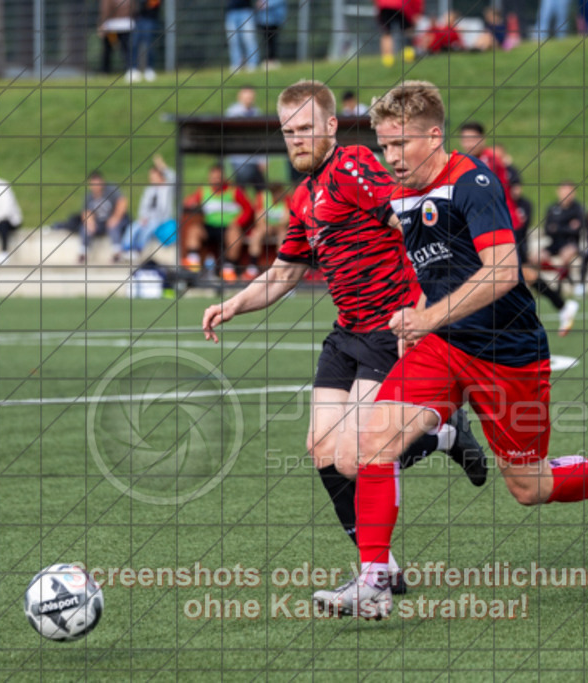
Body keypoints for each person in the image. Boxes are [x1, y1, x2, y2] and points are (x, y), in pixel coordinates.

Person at [313, 80, 588, 619]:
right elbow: (435, 270)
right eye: (384, 146)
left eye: (401, 144)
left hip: (507, 354)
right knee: (371, 440)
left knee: (528, 486)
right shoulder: (399, 197)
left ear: (435, 135)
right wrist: (417, 312)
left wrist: (426, 315)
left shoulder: (472, 182)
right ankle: (374, 581)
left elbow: (502, 272)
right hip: (444, 346)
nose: (391, 158)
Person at [201, 81, 486, 593]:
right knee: (321, 451)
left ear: (331, 126)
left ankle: (442, 436)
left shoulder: (352, 164)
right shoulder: (304, 197)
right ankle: (383, 565)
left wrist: (427, 302)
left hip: (388, 328)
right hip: (347, 332)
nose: (297, 140)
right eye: (288, 132)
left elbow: (406, 218)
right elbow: (284, 274)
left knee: (357, 456)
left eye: (306, 129)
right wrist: (232, 304)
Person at [457, 121, 577, 335]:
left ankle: (560, 307)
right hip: (493, 226)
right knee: (511, 274)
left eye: (472, 138)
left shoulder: (488, 161)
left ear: (482, 140)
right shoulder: (472, 161)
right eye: (464, 138)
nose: (467, 142)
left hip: (507, 226)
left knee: (518, 273)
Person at [182, 164, 253, 282]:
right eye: (213, 177)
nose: (216, 180)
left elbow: (248, 209)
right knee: (194, 230)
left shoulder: (234, 191)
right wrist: (191, 204)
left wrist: (238, 222)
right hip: (210, 226)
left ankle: (228, 268)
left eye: (218, 177)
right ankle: (193, 262)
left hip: (228, 226)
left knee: (234, 234)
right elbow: (190, 201)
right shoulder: (204, 191)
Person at [120, 155, 176, 260]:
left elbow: (174, 177)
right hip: (147, 218)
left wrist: (162, 166)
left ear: (160, 176)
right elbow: (143, 206)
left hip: (161, 220)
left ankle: (138, 249)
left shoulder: (167, 188)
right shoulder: (149, 190)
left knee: (148, 229)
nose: (151, 178)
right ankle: (126, 249)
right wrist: (143, 217)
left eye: (153, 176)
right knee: (133, 227)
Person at [538, 181, 586, 296]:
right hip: (554, 243)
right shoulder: (552, 208)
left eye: (570, 192)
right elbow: (547, 230)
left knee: (566, 255)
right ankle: (564, 277)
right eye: (564, 191)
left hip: (571, 244)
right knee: (536, 257)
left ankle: (558, 288)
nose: (566, 194)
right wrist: (567, 226)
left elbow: (576, 230)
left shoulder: (578, 209)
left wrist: (557, 228)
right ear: (558, 192)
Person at [80, 170, 130, 264]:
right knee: (85, 228)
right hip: (99, 223)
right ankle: (83, 252)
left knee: (113, 226)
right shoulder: (89, 196)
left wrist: (115, 217)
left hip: (114, 219)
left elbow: (122, 202)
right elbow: (85, 212)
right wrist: (90, 222)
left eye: (98, 184)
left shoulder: (111, 190)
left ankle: (117, 253)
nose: (96, 187)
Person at [243, 182, 289, 279]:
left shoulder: (286, 199)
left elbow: (286, 220)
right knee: (257, 234)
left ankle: (281, 267)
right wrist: (268, 226)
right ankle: (252, 267)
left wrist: (275, 225)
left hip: (280, 228)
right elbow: (258, 218)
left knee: (283, 234)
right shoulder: (262, 197)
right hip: (266, 226)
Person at [225, 86, 267, 189]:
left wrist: (263, 159)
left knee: (262, 191)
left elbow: (262, 137)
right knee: (240, 191)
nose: (249, 98)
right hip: (238, 159)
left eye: (251, 96)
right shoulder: (232, 114)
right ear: (240, 96)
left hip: (255, 159)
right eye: (246, 95)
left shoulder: (257, 113)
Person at [375, 0, 422, 67]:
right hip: (402, 6)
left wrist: (379, 5)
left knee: (386, 33)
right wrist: (416, 12)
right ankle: (408, 57)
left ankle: (388, 61)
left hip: (384, 5)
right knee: (408, 30)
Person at [128, 0, 161, 82]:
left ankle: (149, 69)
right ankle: (133, 69)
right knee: (134, 44)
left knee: (149, 45)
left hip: (150, 19)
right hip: (138, 20)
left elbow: (153, 4)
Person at [98, 0, 133, 76]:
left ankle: (105, 71)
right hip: (125, 24)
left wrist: (102, 24)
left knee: (108, 49)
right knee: (125, 49)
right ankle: (129, 69)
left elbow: (105, 9)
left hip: (111, 25)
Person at [225, 0, 259, 72]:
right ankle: (236, 64)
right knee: (233, 40)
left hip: (246, 10)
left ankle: (252, 64)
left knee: (248, 39)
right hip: (231, 11)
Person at [256, 0, 287, 69]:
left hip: (275, 19)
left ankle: (272, 60)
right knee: (267, 41)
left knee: (273, 41)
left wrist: (265, 4)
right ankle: (268, 60)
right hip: (264, 20)